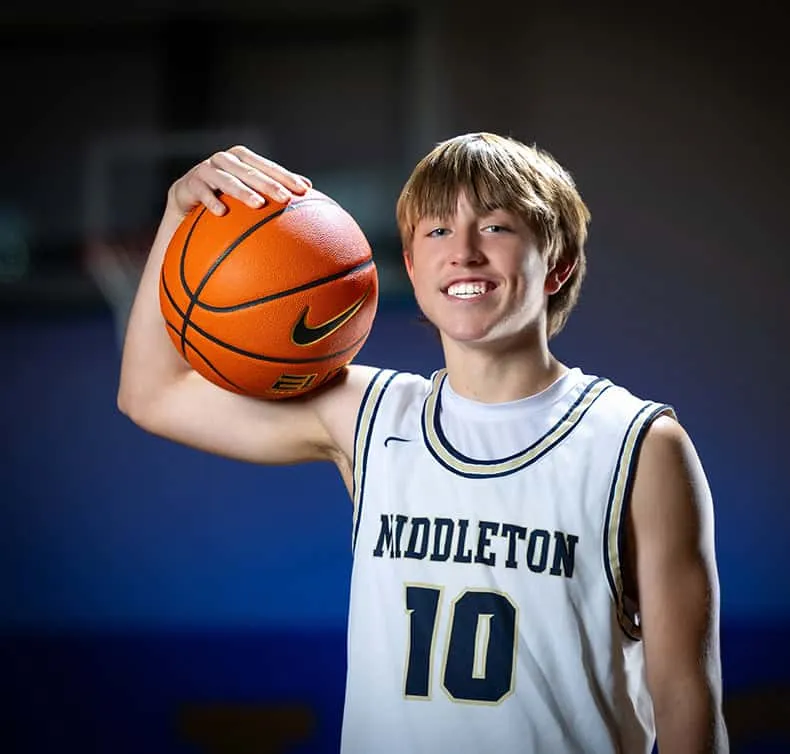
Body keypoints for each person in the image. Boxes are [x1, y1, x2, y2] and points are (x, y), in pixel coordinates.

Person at [117, 133, 729, 753]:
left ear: (559, 264)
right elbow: (153, 393)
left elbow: (685, 699)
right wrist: (180, 217)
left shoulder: (638, 445)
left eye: (496, 227)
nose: (462, 252)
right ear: (410, 268)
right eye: (436, 232)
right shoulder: (369, 415)